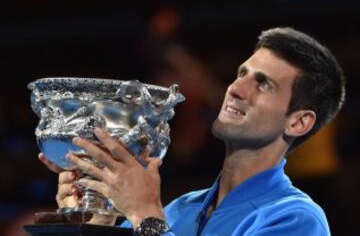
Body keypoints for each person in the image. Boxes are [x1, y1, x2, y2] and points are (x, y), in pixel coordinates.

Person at [39, 27, 345, 236]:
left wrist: (146, 216)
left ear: (298, 122)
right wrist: (97, 218)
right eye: (242, 74)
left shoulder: (296, 219)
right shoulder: (178, 210)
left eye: (263, 83)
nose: (235, 89)